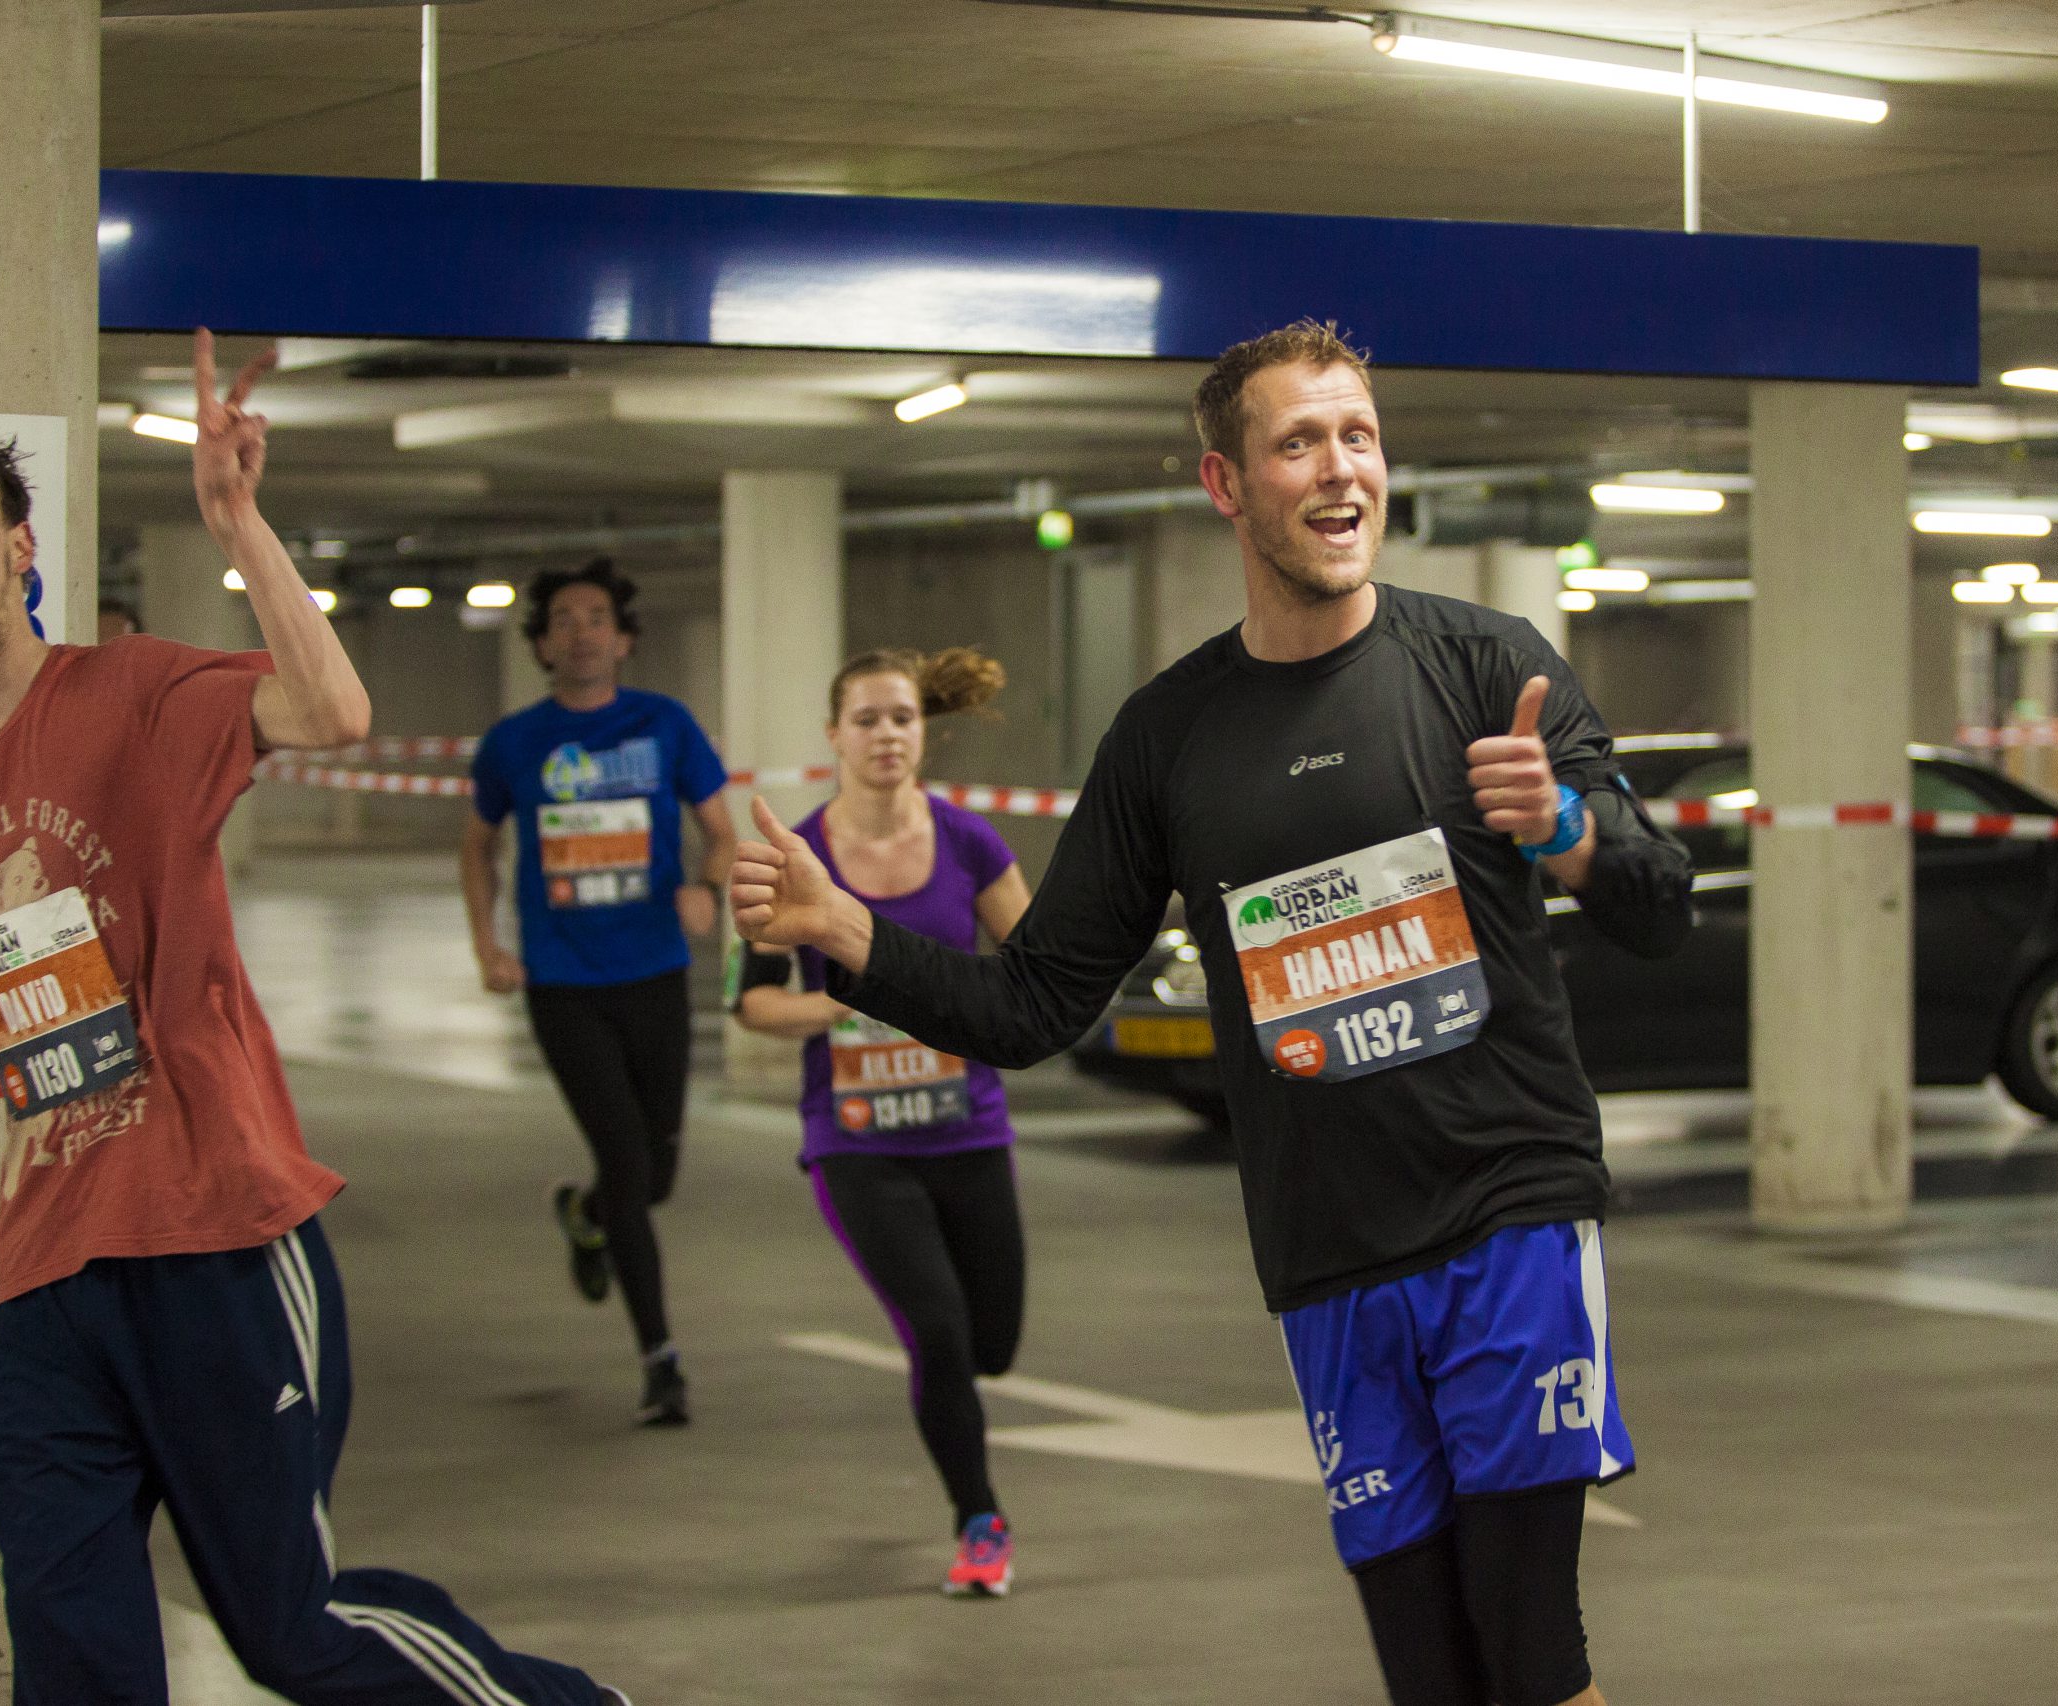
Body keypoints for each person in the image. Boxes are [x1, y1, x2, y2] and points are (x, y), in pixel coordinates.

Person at [732, 319, 1692, 1706]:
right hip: (1326, 1252)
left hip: (1510, 1212)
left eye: (1356, 433)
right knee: (1429, 1672)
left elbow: (1661, 903)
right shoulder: (1169, 738)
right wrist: (842, 930)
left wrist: (1569, 838)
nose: (1339, 465)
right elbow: (1034, 1000)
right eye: (1298, 440)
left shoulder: (1490, 669)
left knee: (1532, 1652)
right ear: (1226, 484)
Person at [0, 336, 626, 1706]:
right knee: (72, 1652)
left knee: (292, 1634)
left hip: (219, 1238)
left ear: (19, 550)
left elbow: (330, 705)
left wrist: (239, 522)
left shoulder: (129, 695)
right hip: (49, 1272)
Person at [730, 646, 1033, 1597]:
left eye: (902, 717)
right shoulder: (800, 856)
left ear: (921, 730)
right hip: (855, 1142)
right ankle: (979, 1520)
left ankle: (959, 1414)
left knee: (993, 1345)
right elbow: (755, 1004)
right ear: (834, 737)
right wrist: (848, 1007)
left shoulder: (971, 843)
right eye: (866, 719)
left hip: (969, 1128)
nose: (887, 735)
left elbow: (1035, 969)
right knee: (939, 1337)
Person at [461, 558, 736, 1426]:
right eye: (564, 620)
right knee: (626, 1162)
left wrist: (709, 887)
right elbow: (476, 849)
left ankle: (583, 1212)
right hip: (565, 984)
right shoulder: (514, 743)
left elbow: (721, 834)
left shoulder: (666, 726)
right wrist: (487, 944)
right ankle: (661, 1360)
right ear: (542, 644)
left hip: (654, 975)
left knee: (652, 1179)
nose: (581, 631)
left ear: (623, 638)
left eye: (596, 617)